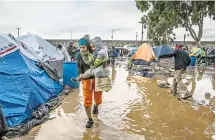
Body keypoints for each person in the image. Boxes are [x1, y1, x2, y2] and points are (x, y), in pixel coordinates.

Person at [76, 37, 104, 128]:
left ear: (88, 46)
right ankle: (90, 119)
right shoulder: (79, 56)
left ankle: (96, 105)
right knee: (87, 101)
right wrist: (80, 74)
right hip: (86, 80)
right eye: (80, 47)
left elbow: (103, 66)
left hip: (97, 79)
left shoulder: (95, 53)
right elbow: (79, 67)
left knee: (98, 99)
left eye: (83, 47)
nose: (82, 49)